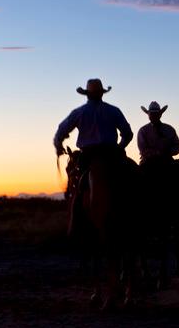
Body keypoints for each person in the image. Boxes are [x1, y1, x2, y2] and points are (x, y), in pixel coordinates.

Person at [53, 78, 134, 235]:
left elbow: (61, 131)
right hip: (112, 154)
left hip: (88, 156)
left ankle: (74, 224)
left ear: (87, 95)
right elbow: (128, 134)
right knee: (130, 178)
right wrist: (120, 147)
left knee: (78, 187)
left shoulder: (79, 112)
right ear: (102, 94)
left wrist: (58, 145)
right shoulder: (113, 111)